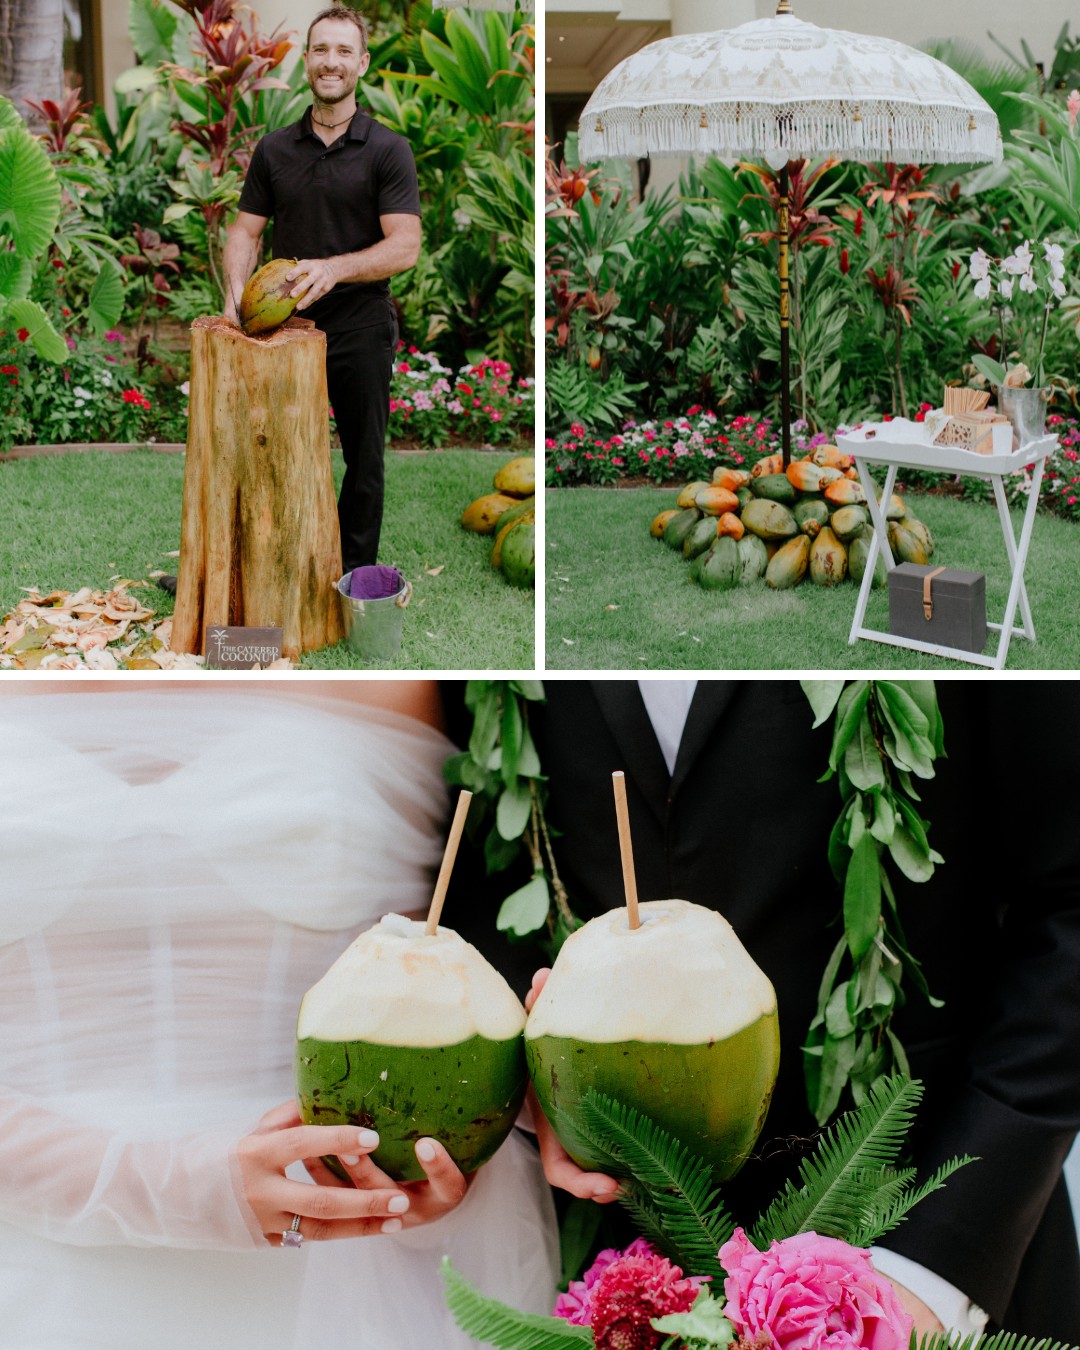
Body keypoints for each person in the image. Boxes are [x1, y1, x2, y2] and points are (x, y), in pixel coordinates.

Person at [444, 678, 1080, 1343]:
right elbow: (473, 856)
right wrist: (537, 1081)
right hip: (612, 1281)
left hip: (935, 1239)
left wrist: (924, 1279)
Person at [0, 680, 558, 1349]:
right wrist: (175, 1188)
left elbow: (424, 992)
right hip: (31, 1266)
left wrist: (431, 1170)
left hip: (350, 1278)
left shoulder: (404, 670)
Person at [223, 5, 422, 574]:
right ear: (306, 61)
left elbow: (404, 245)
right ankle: (267, 568)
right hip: (284, 329)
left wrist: (333, 269)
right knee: (268, 452)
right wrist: (238, 291)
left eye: (342, 51)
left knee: (363, 462)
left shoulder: (388, 150)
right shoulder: (275, 150)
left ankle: (352, 579)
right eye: (320, 50)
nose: (330, 62)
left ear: (360, 63)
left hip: (360, 323)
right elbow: (244, 230)